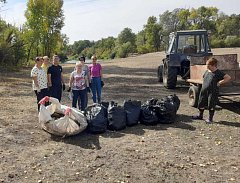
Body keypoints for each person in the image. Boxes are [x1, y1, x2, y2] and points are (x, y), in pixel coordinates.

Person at [192, 57, 231, 123]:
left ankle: (210, 119)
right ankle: (200, 116)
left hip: (212, 91)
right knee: (201, 102)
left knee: (211, 104)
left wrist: (220, 82)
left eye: (208, 65)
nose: (206, 66)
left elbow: (228, 77)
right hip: (204, 90)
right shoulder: (207, 71)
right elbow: (204, 79)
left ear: (213, 65)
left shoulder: (218, 72)